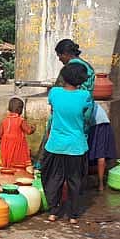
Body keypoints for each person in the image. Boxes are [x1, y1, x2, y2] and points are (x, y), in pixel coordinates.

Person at [42, 62, 93, 224]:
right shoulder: (84, 96)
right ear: (81, 79)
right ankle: (72, 215)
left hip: (55, 144)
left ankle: (53, 212)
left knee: (52, 178)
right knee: (75, 180)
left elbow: (52, 114)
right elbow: (87, 118)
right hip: (76, 146)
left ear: (64, 77)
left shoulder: (54, 93)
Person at [0, 97, 35, 169]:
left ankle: (7, 170)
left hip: (5, 145)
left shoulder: (4, 120)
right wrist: (33, 128)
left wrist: (4, 140)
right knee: (18, 158)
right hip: (18, 144)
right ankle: (19, 171)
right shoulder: (20, 120)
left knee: (7, 158)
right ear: (20, 109)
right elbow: (28, 131)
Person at [87, 102, 117, 191]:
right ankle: (101, 185)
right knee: (101, 153)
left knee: (98, 154)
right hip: (103, 121)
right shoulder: (86, 95)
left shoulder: (80, 98)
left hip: (95, 122)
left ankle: (100, 184)